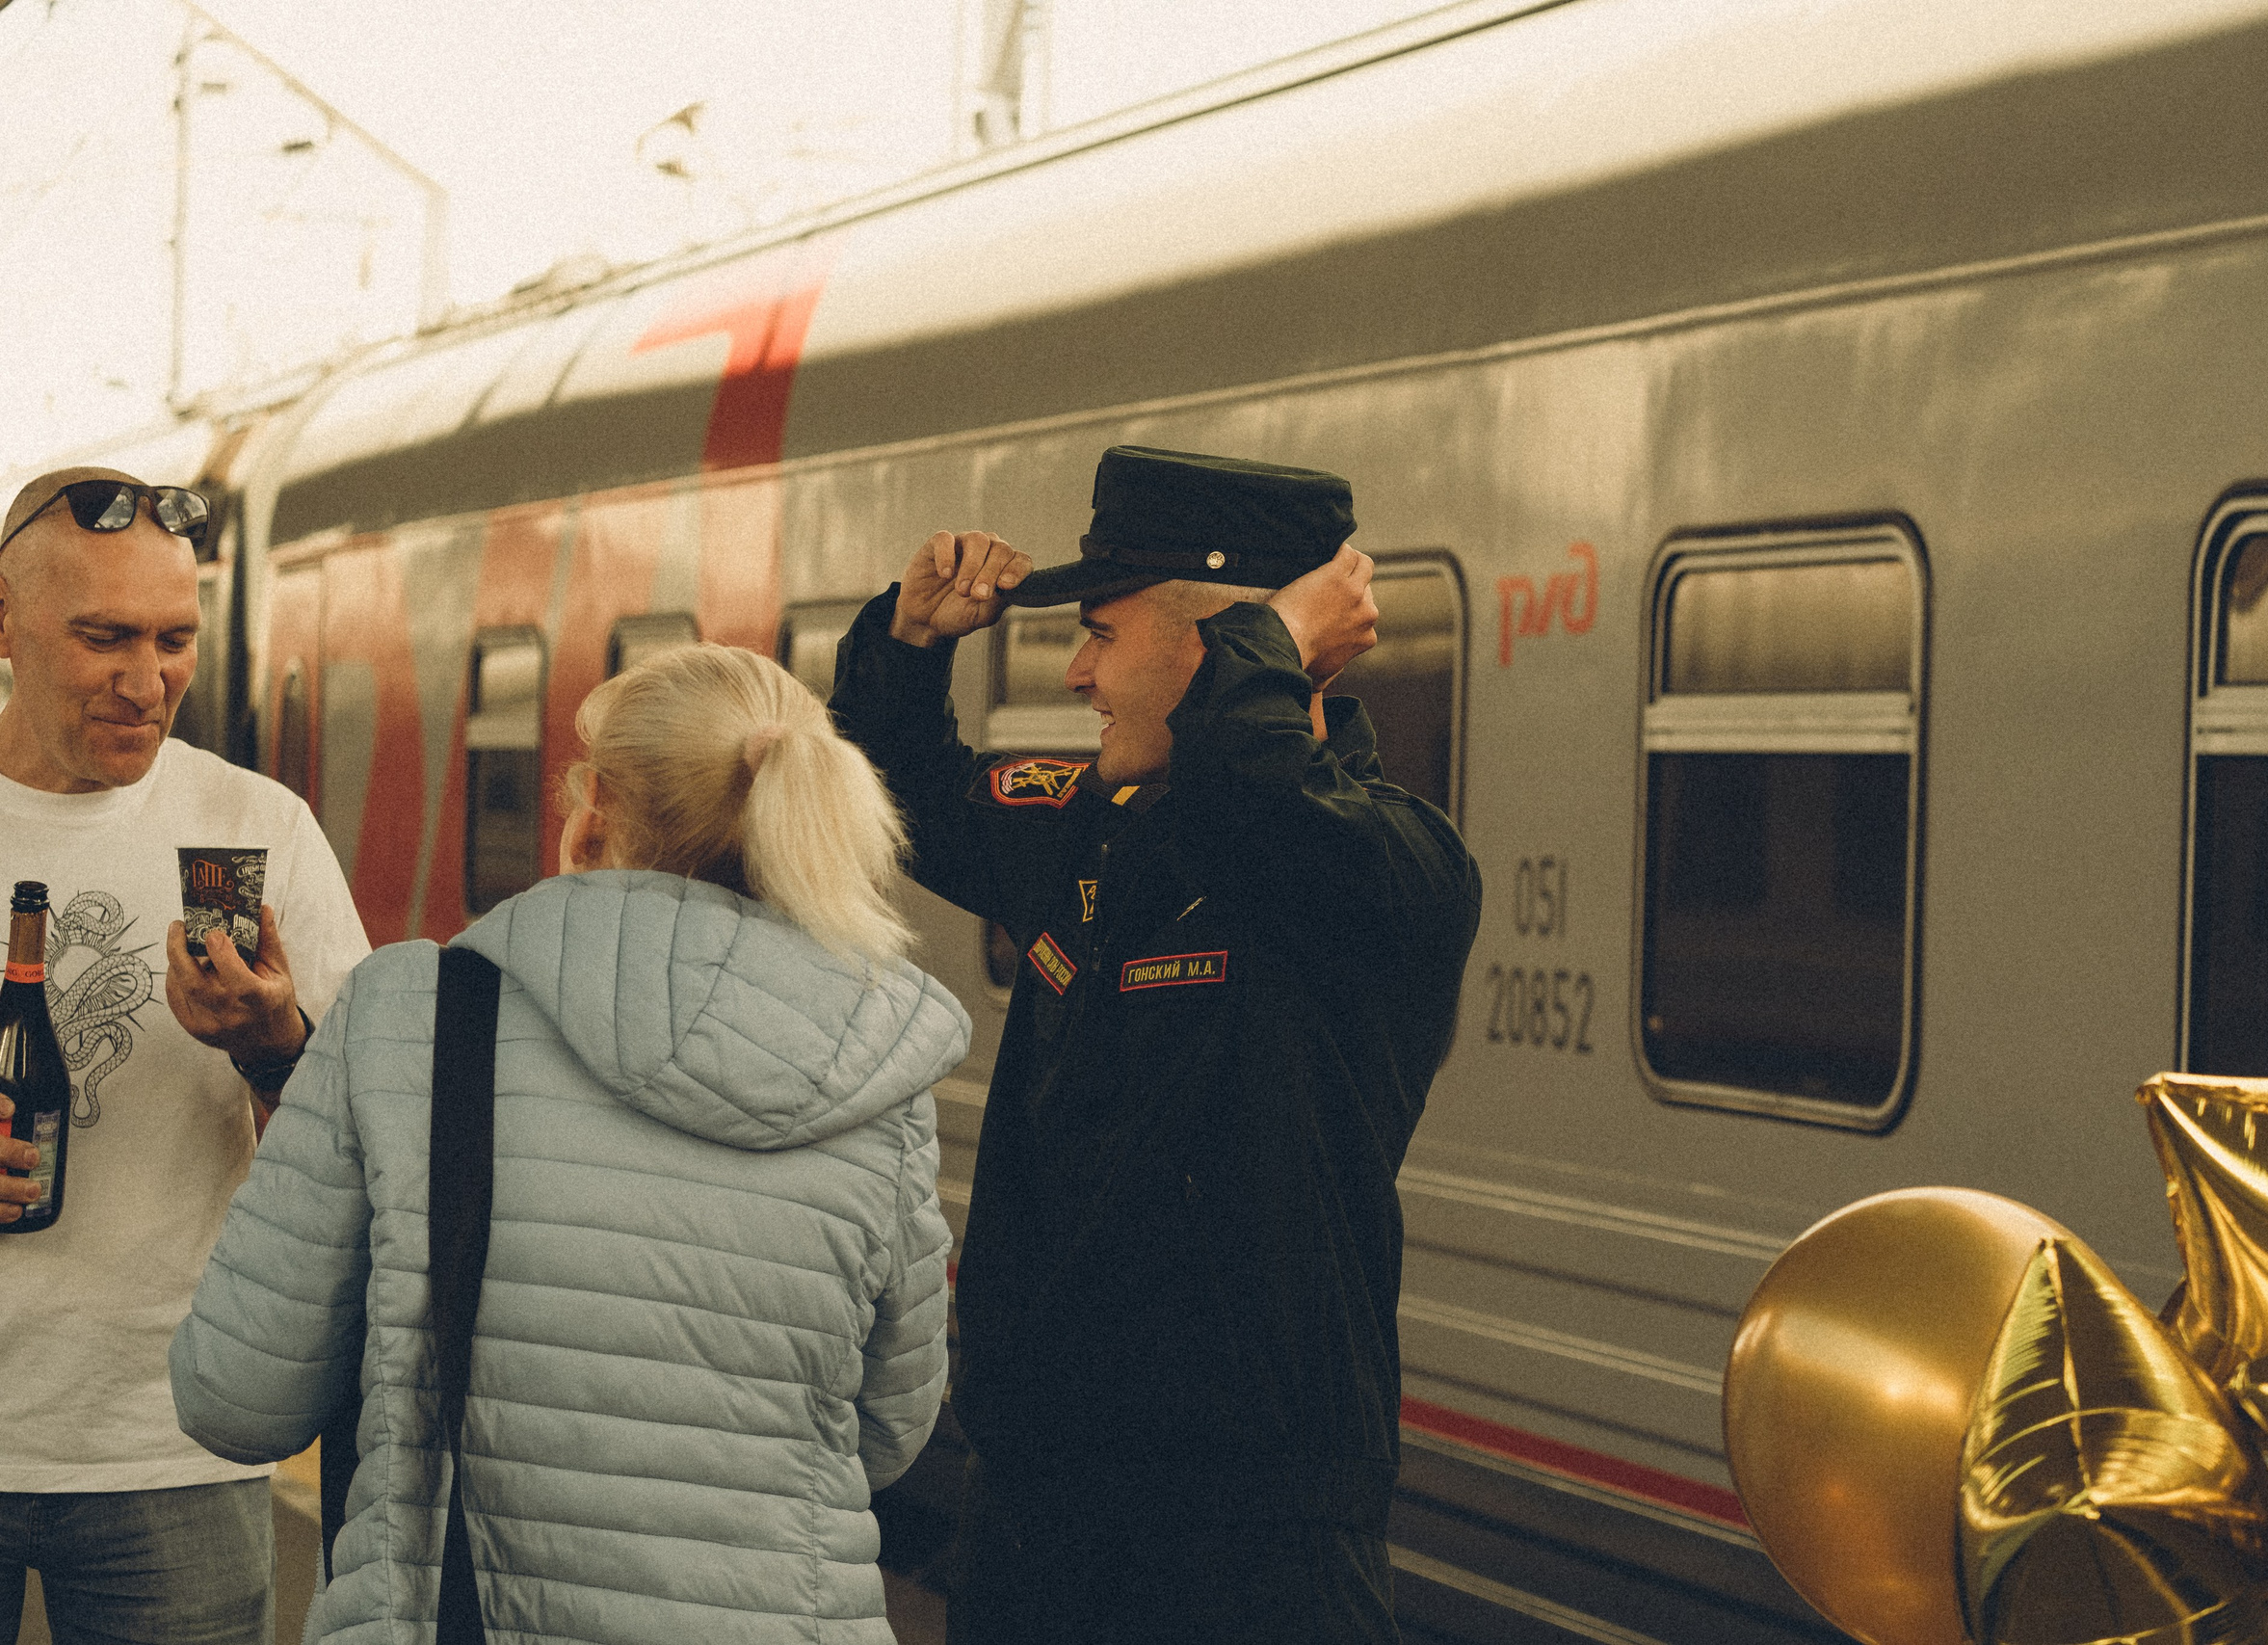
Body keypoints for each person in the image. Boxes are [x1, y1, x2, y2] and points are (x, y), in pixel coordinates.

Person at [171, 641, 968, 1644]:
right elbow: (890, 1430)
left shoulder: (420, 1010)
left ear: (593, 816)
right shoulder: (880, 1063)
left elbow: (237, 1399)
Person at [829, 445, 1483, 1643]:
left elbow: (1260, 809)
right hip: (1041, 1517)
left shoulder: (1390, 866)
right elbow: (889, 788)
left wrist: (1267, 650)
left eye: (1102, 636)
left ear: (1226, 645)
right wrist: (912, 641)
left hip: (1253, 1549)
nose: (1076, 674)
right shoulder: (1091, 831)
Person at [0, 466, 370, 1643]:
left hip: (174, 1439)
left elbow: (371, 1139)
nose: (145, 682)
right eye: (102, 637)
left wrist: (276, 1051)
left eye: (175, 640)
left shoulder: (256, 827)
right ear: (2, 623)